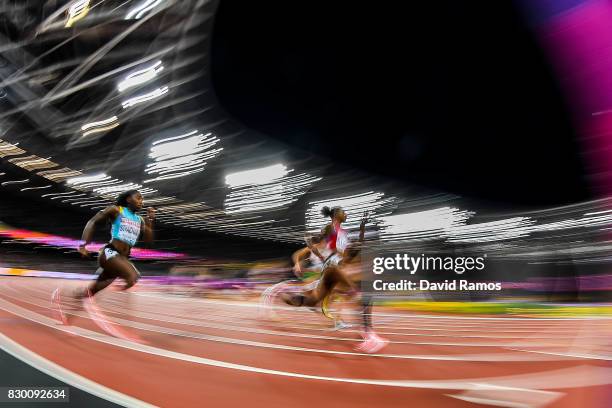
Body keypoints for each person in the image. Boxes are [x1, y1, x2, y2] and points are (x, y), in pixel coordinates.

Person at [52, 190, 155, 337]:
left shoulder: (140, 220)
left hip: (121, 260)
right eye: (138, 197)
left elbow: (149, 242)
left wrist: (150, 220)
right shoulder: (116, 210)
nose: (141, 201)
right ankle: (126, 316)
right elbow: (92, 221)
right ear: (127, 199)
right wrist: (83, 244)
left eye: (143, 199)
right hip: (109, 253)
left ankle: (66, 312)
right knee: (133, 276)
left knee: (90, 292)